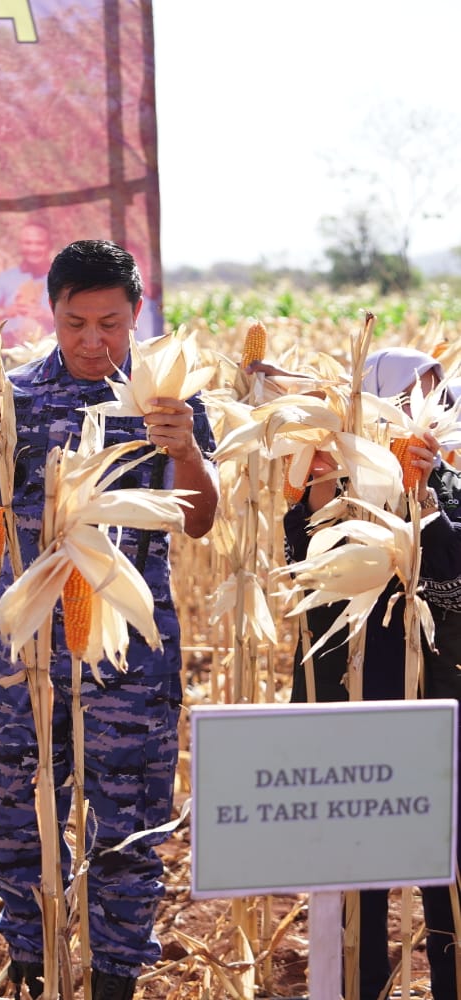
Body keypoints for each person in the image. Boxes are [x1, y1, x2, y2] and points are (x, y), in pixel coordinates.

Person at [0, 240, 219, 1000]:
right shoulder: (21, 396)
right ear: (54, 315)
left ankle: (114, 978)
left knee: (127, 824)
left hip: (132, 653)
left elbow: (199, 523)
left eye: (109, 322)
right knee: (21, 819)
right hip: (29, 652)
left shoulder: (167, 402)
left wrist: (189, 455)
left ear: (136, 313)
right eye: (75, 323)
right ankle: (33, 967)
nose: (92, 340)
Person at [281, 347, 461, 1000]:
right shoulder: (330, 497)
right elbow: (304, 576)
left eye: (433, 401)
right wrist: (322, 481)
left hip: (439, 717)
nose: (421, 417)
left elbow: (453, 595)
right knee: (360, 882)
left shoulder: (451, 492)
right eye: (403, 403)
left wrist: (423, 507)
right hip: (353, 713)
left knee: (448, 885)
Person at [0, 218, 55, 347]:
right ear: (20, 245)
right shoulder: (6, 278)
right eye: (28, 243)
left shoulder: (64, 279)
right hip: (11, 351)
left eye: (39, 243)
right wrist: (5, 312)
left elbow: (80, 317)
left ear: (50, 245)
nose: (33, 249)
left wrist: (45, 315)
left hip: (52, 353)